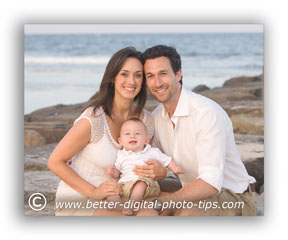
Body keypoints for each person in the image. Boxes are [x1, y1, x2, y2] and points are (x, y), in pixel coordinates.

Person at [48, 47, 165, 216]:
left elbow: (148, 160)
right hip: (82, 198)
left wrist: (160, 173)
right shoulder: (94, 119)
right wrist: (94, 192)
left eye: (138, 75)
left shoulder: (147, 121)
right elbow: (55, 161)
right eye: (124, 74)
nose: (131, 81)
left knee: (153, 213)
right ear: (112, 78)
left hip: (123, 196)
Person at [142, 45, 257, 216]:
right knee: (140, 198)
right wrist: (160, 171)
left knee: (188, 211)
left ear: (178, 74)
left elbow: (211, 183)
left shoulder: (206, 113)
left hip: (234, 196)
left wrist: (169, 200)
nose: (157, 83)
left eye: (163, 74)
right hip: (191, 188)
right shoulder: (157, 116)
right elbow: (151, 158)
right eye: (150, 76)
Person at [106, 118, 183, 215]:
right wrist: (113, 171)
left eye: (137, 133)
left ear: (146, 140)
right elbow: (119, 170)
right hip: (125, 185)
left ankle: (131, 206)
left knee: (141, 184)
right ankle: (118, 207)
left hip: (146, 185)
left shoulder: (152, 151)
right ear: (120, 141)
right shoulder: (121, 154)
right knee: (111, 189)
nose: (132, 136)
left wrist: (175, 168)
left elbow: (167, 160)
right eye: (127, 134)